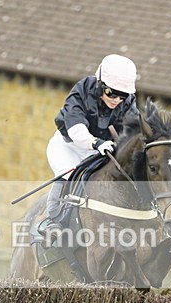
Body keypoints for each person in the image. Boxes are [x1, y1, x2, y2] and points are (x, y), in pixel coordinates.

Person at [41, 54, 139, 231]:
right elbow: (76, 127)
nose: (116, 100)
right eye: (111, 93)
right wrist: (95, 142)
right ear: (101, 84)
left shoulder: (128, 103)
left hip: (99, 151)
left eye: (122, 96)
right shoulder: (82, 90)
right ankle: (52, 221)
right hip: (69, 147)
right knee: (69, 175)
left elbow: (133, 131)